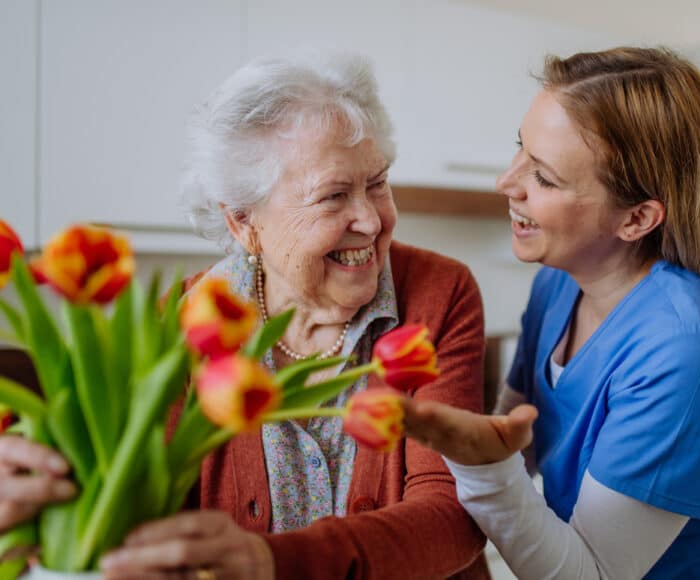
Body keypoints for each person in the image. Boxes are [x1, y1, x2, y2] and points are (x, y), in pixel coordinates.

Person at [0, 52, 489, 579]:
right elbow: (129, 501)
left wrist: (272, 561)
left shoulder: (441, 294)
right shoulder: (182, 324)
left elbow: (454, 512)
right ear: (243, 224)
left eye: (377, 183)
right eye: (333, 197)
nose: (370, 220)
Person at [403, 47, 700, 579]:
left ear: (637, 218)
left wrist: (484, 467)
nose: (506, 182)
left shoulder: (691, 351)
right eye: (520, 149)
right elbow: (515, 442)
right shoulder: (558, 283)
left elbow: (592, 574)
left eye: (543, 177)